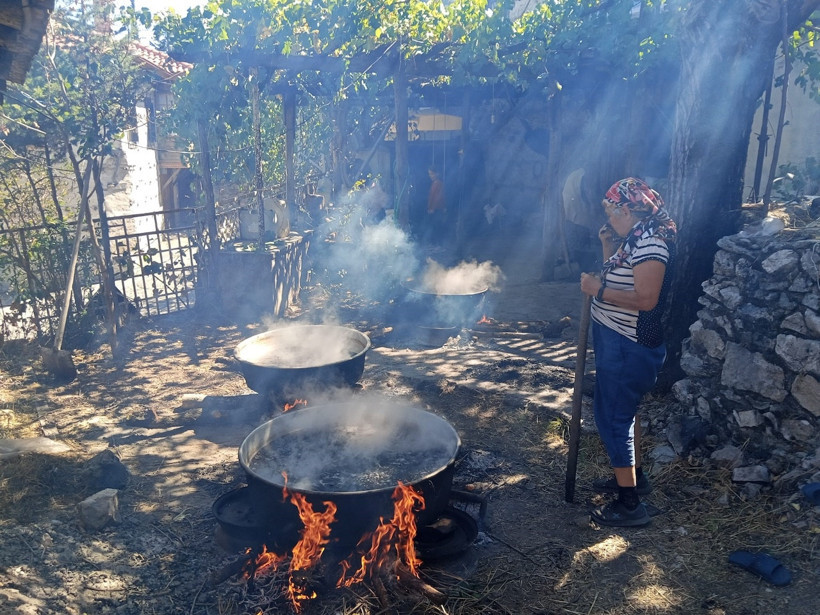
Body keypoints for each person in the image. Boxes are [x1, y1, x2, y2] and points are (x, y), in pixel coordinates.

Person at [579, 177, 677, 527]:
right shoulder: (634, 239)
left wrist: (597, 290)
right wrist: (608, 247)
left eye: (610, 211)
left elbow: (646, 300)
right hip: (617, 341)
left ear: (627, 210)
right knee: (624, 413)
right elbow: (619, 277)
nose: (607, 218)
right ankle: (633, 478)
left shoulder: (651, 244)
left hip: (629, 345)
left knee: (613, 418)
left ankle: (629, 504)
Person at [425, 167, 446, 245]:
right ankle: (435, 244)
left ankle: (438, 244)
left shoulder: (439, 184)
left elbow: (438, 198)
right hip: (435, 208)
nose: (430, 176)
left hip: (436, 209)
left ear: (437, 174)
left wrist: (432, 208)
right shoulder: (434, 183)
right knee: (434, 226)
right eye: (429, 174)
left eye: (432, 174)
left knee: (436, 227)